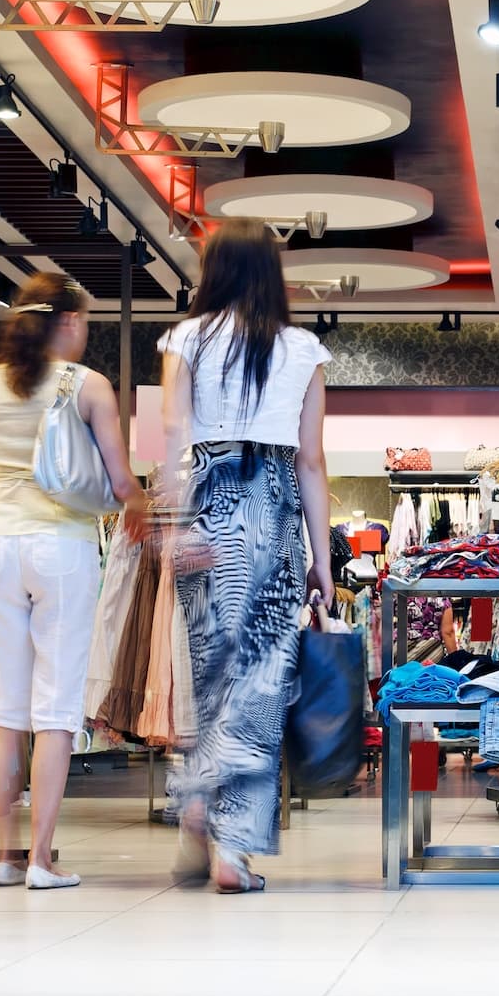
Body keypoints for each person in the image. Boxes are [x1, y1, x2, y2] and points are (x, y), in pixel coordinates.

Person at [161, 219, 333, 893]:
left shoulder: (184, 339)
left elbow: (175, 429)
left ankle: (197, 793)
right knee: (260, 680)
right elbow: (313, 460)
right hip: (275, 503)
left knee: (210, 670)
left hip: (207, 494)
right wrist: (322, 557)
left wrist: (174, 522)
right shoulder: (303, 349)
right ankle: (231, 847)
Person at [0, 273, 148, 890]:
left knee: (8, 710)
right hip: (62, 547)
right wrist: (150, 514)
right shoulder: (87, 386)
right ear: (68, 322)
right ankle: (41, 861)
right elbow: (122, 485)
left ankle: (3, 857)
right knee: (55, 708)